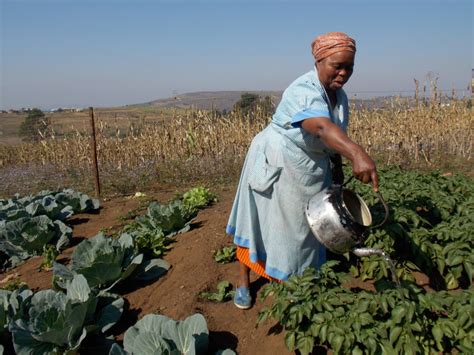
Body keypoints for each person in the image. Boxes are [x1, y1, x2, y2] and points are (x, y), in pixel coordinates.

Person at [226, 32, 379, 309]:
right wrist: (357, 153)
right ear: (319, 61)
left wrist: (338, 167)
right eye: (337, 66)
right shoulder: (303, 90)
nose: (344, 73)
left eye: (350, 67)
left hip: (308, 167)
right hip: (278, 161)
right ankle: (243, 281)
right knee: (262, 222)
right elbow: (320, 127)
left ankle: (298, 284)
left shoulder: (338, 95)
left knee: (304, 228)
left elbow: (331, 136)